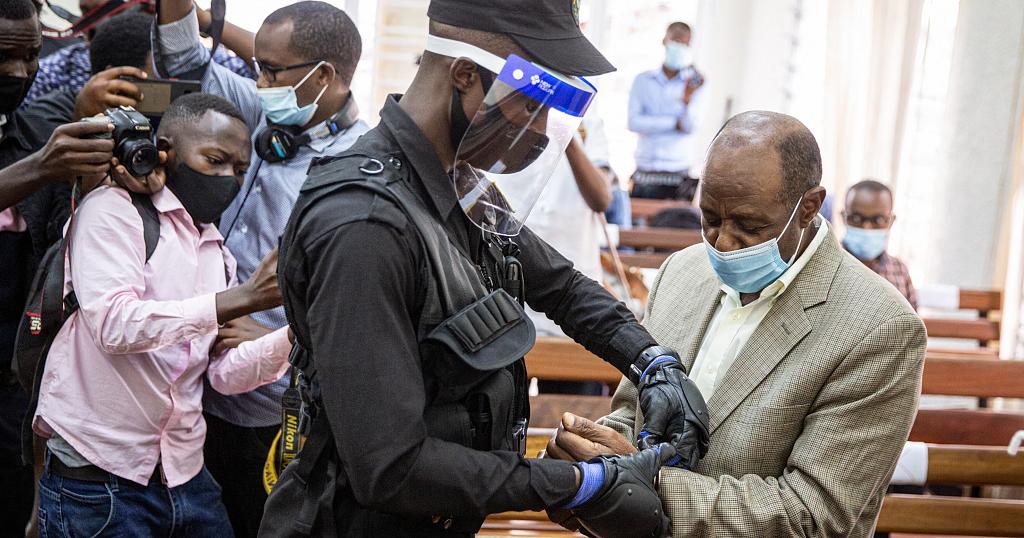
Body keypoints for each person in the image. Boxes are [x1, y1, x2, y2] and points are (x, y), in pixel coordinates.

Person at [260, 1, 712, 536]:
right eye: (531, 106)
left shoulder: (459, 184)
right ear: (466, 76)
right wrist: (576, 482)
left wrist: (651, 361)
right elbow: (391, 468)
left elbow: (560, 286)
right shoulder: (365, 225)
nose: (542, 131)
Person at [546, 111, 926, 537]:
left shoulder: (879, 328)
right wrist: (586, 461)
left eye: (749, 225)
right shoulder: (683, 273)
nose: (723, 243)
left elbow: (811, 516)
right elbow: (632, 415)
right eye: (709, 218)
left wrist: (640, 483)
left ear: (809, 207)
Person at [32, 92, 291, 538]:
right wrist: (244, 299)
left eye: (240, 170)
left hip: (186, 476)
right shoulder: (114, 212)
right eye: (215, 160)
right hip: (99, 481)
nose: (229, 179)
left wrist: (299, 331)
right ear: (165, 152)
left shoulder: (217, 252)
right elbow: (116, 325)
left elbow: (221, 375)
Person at [153, 2, 369, 535]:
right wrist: (201, 17)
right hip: (194, 389)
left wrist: (286, 336)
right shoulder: (259, 112)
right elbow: (182, 54)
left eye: (272, 71)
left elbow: (362, 305)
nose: (260, 79)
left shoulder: (360, 165)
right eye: (259, 67)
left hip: (277, 410)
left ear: (324, 78)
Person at [22, 1, 254, 108]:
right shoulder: (65, 66)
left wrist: (203, 19)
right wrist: (82, 109)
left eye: (103, 10)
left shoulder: (195, 62)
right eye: (85, 12)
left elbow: (268, 70)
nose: (91, 24)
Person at [525, 115, 612, 396]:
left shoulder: (589, 114)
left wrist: (569, 140)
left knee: (575, 412)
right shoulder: (514, 104)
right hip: (512, 300)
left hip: (573, 297)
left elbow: (601, 199)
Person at [627, 21, 705, 201]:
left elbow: (689, 126)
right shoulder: (643, 80)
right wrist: (673, 123)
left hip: (678, 171)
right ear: (665, 41)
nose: (678, 47)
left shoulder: (695, 83)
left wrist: (686, 100)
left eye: (683, 43)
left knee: (675, 225)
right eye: (675, 41)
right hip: (645, 169)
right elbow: (633, 122)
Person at [842, 179, 916, 309]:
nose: (867, 227)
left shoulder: (899, 271)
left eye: (878, 220)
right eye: (857, 218)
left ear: (891, 221)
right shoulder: (825, 265)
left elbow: (913, 325)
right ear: (844, 217)